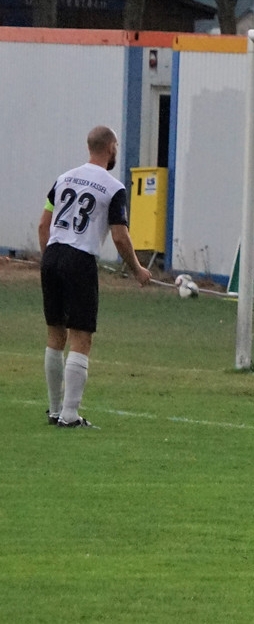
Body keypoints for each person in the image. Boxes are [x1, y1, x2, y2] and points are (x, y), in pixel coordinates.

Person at [38, 125, 152, 428]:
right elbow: (119, 236)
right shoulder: (113, 188)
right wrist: (137, 269)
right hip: (79, 260)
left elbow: (43, 225)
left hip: (52, 255)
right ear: (111, 148)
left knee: (55, 335)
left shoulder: (63, 179)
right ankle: (70, 416)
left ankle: (54, 411)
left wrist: (49, 260)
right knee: (81, 338)